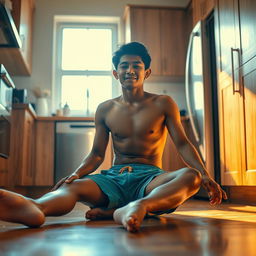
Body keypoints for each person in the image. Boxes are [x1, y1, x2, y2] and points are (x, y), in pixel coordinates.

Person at [0, 42, 227, 232]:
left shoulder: (163, 103)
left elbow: (182, 143)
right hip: (114, 178)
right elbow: (97, 154)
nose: (130, 70)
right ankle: (36, 208)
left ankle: (137, 206)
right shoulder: (105, 109)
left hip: (150, 181)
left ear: (146, 72)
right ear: (115, 73)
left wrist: (205, 175)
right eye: (124, 66)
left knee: (191, 176)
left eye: (136, 66)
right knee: (74, 186)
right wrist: (76, 173)